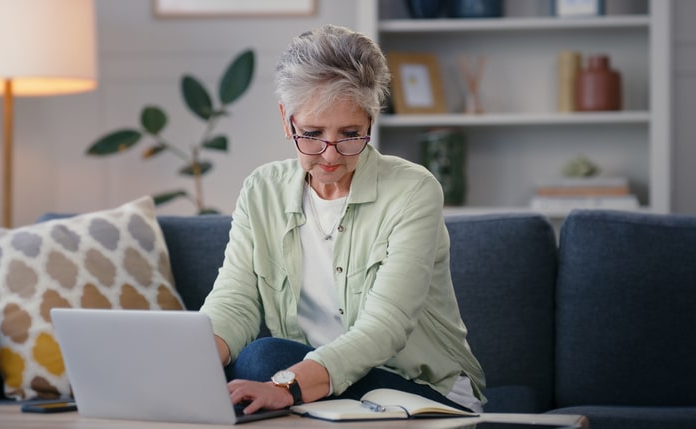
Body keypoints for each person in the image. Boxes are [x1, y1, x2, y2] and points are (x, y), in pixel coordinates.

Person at [198, 24, 486, 415]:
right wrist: (191, 363)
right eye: (313, 134)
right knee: (232, 368)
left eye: (350, 134)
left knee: (263, 360)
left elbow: (385, 326)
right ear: (287, 120)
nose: (330, 156)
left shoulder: (413, 190)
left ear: (371, 120)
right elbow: (235, 302)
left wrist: (286, 385)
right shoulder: (261, 189)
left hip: (417, 391)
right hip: (316, 390)